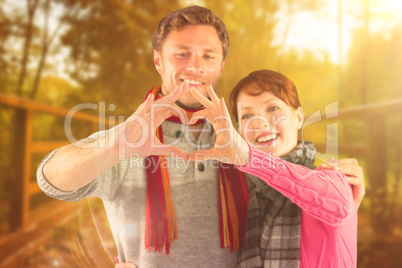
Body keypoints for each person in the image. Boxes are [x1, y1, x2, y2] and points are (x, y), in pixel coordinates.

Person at [37, 6, 364, 267]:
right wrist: (117, 146)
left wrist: (343, 208)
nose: (195, 66)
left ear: (221, 66)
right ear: (158, 61)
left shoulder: (242, 141)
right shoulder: (129, 139)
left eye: (208, 56)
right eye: (182, 54)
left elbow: (297, 188)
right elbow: (51, 179)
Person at [187, 69, 359, 267]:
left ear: (299, 117)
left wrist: (249, 157)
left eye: (273, 109)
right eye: (247, 115)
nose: (259, 123)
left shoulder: (331, 179)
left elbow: (339, 203)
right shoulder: (243, 193)